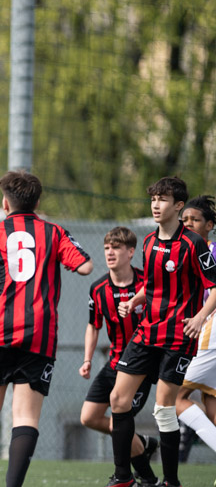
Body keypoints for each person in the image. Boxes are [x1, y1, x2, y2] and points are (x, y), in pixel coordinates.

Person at [0, 170, 93, 487]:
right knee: (25, 416)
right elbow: (85, 266)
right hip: (38, 334)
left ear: (5, 203)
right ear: (37, 203)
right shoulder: (54, 233)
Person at [108, 177, 216, 487]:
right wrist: (135, 300)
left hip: (178, 337)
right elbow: (153, 285)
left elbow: (215, 285)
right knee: (118, 399)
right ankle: (123, 476)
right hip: (146, 332)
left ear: (178, 205)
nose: (156, 205)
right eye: (153, 199)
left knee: (164, 408)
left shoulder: (193, 243)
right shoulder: (148, 242)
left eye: (163, 199)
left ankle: (170, 481)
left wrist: (200, 317)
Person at [79, 227, 158, 486]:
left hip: (140, 366)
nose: (110, 253)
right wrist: (87, 360)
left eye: (116, 247)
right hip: (114, 363)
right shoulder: (98, 288)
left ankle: (142, 478)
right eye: (106, 248)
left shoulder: (147, 283)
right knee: (89, 417)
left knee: (119, 422)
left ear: (131, 251)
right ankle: (142, 444)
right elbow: (93, 325)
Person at [175, 195, 216, 458]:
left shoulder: (211, 251)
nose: (188, 223)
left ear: (209, 225)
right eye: (185, 219)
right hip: (201, 333)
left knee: (172, 396)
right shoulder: (184, 251)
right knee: (211, 405)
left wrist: (202, 317)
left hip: (211, 332)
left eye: (195, 219)